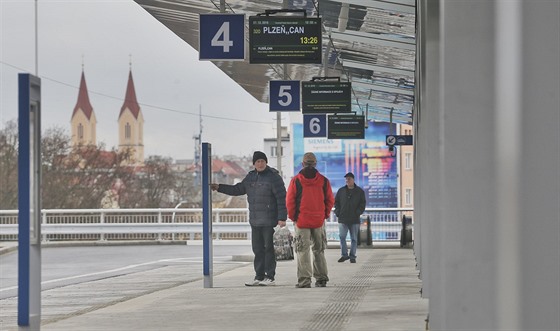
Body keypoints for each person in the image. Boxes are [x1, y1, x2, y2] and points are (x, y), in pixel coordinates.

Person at [210, 151, 287, 286]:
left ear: (266, 162)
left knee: (269, 248)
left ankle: (270, 277)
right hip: (255, 220)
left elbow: (281, 198)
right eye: (258, 161)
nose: (260, 163)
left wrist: (282, 218)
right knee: (257, 249)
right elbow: (237, 189)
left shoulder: (274, 177)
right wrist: (219, 187)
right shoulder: (250, 177)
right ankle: (259, 276)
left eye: (263, 161)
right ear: (254, 164)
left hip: (269, 220)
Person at [286, 152, 334, 288]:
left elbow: (290, 201)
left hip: (302, 221)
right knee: (319, 250)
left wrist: (293, 217)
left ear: (302, 164)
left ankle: (305, 280)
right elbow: (330, 200)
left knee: (303, 251)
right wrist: (324, 214)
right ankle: (321, 278)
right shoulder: (324, 181)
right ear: (315, 164)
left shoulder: (296, 181)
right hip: (318, 221)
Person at [334, 172, 366, 264]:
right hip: (342, 218)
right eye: (346, 179)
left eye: (349, 179)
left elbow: (362, 204)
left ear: (353, 180)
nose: (347, 180)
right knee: (342, 237)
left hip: (354, 219)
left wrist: (358, 213)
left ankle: (352, 256)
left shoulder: (359, 191)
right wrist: (338, 213)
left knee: (354, 239)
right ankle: (344, 255)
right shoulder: (341, 191)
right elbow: (336, 202)